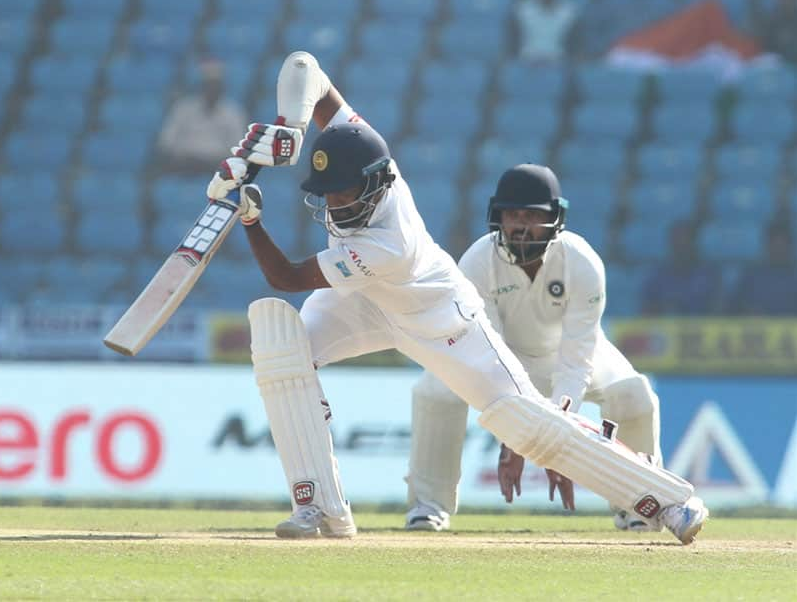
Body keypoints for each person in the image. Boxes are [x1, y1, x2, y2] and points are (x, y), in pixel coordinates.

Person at [202, 51, 707, 543]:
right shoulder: (368, 154)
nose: (334, 204)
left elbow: (287, 277)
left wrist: (248, 216)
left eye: (344, 193)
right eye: (326, 192)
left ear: (378, 185)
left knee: (527, 422)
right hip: (363, 301)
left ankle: (669, 497)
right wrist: (289, 128)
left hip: (440, 318)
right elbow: (306, 69)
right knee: (281, 347)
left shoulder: (388, 243)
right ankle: (320, 507)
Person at [404, 164, 667, 534]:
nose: (520, 225)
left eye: (532, 215)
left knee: (635, 395)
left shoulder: (582, 263)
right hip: (501, 359)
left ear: (555, 219)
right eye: (512, 215)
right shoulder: (478, 262)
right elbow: (487, 357)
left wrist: (556, 444)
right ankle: (427, 506)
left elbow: (577, 362)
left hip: (569, 356)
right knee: (434, 389)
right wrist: (516, 439)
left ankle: (639, 505)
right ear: (498, 218)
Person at [156, 59, 248, 175]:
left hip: (216, 165)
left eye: (216, 85)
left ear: (222, 87)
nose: (212, 90)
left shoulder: (233, 112)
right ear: (202, 86)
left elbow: (237, 145)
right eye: (209, 85)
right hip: (185, 163)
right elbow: (167, 140)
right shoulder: (183, 108)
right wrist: (179, 154)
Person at [640, 220, 723, 315]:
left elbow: (719, 309)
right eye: (676, 242)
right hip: (666, 327)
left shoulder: (710, 274)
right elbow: (646, 311)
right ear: (670, 245)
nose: (681, 246)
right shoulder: (657, 275)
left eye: (685, 242)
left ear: (694, 243)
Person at [729, 220, 797, 315]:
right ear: (766, 246)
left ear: (790, 247)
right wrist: (747, 312)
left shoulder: (794, 276)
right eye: (774, 245)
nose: (778, 251)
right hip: (757, 328)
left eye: (782, 246)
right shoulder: (751, 275)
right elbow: (733, 305)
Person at [510, 0, 580, 63]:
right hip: (526, 63)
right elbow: (512, 46)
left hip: (558, 65)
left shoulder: (570, 12)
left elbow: (575, 46)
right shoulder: (521, 10)